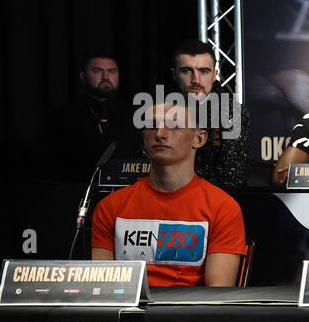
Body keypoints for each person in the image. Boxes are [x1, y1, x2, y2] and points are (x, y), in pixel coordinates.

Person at [91, 102, 245, 287]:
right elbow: (101, 288)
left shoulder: (223, 208)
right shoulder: (111, 206)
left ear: (199, 139)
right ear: (144, 137)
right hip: (129, 313)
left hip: (190, 314)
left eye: (174, 126)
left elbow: (217, 297)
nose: (160, 134)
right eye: (152, 126)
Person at [46, 52, 142, 176]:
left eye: (112, 71)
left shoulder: (135, 115)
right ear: (83, 76)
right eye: (97, 71)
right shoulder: (62, 117)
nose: (105, 77)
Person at [168, 40, 247, 189]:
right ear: (174, 74)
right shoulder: (160, 110)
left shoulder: (231, 111)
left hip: (216, 201)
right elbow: (147, 167)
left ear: (214, 75)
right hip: (166, 199)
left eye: (204, 71)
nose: (195, 80)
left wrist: (175, 175)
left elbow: (232, 176)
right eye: (186, 71)